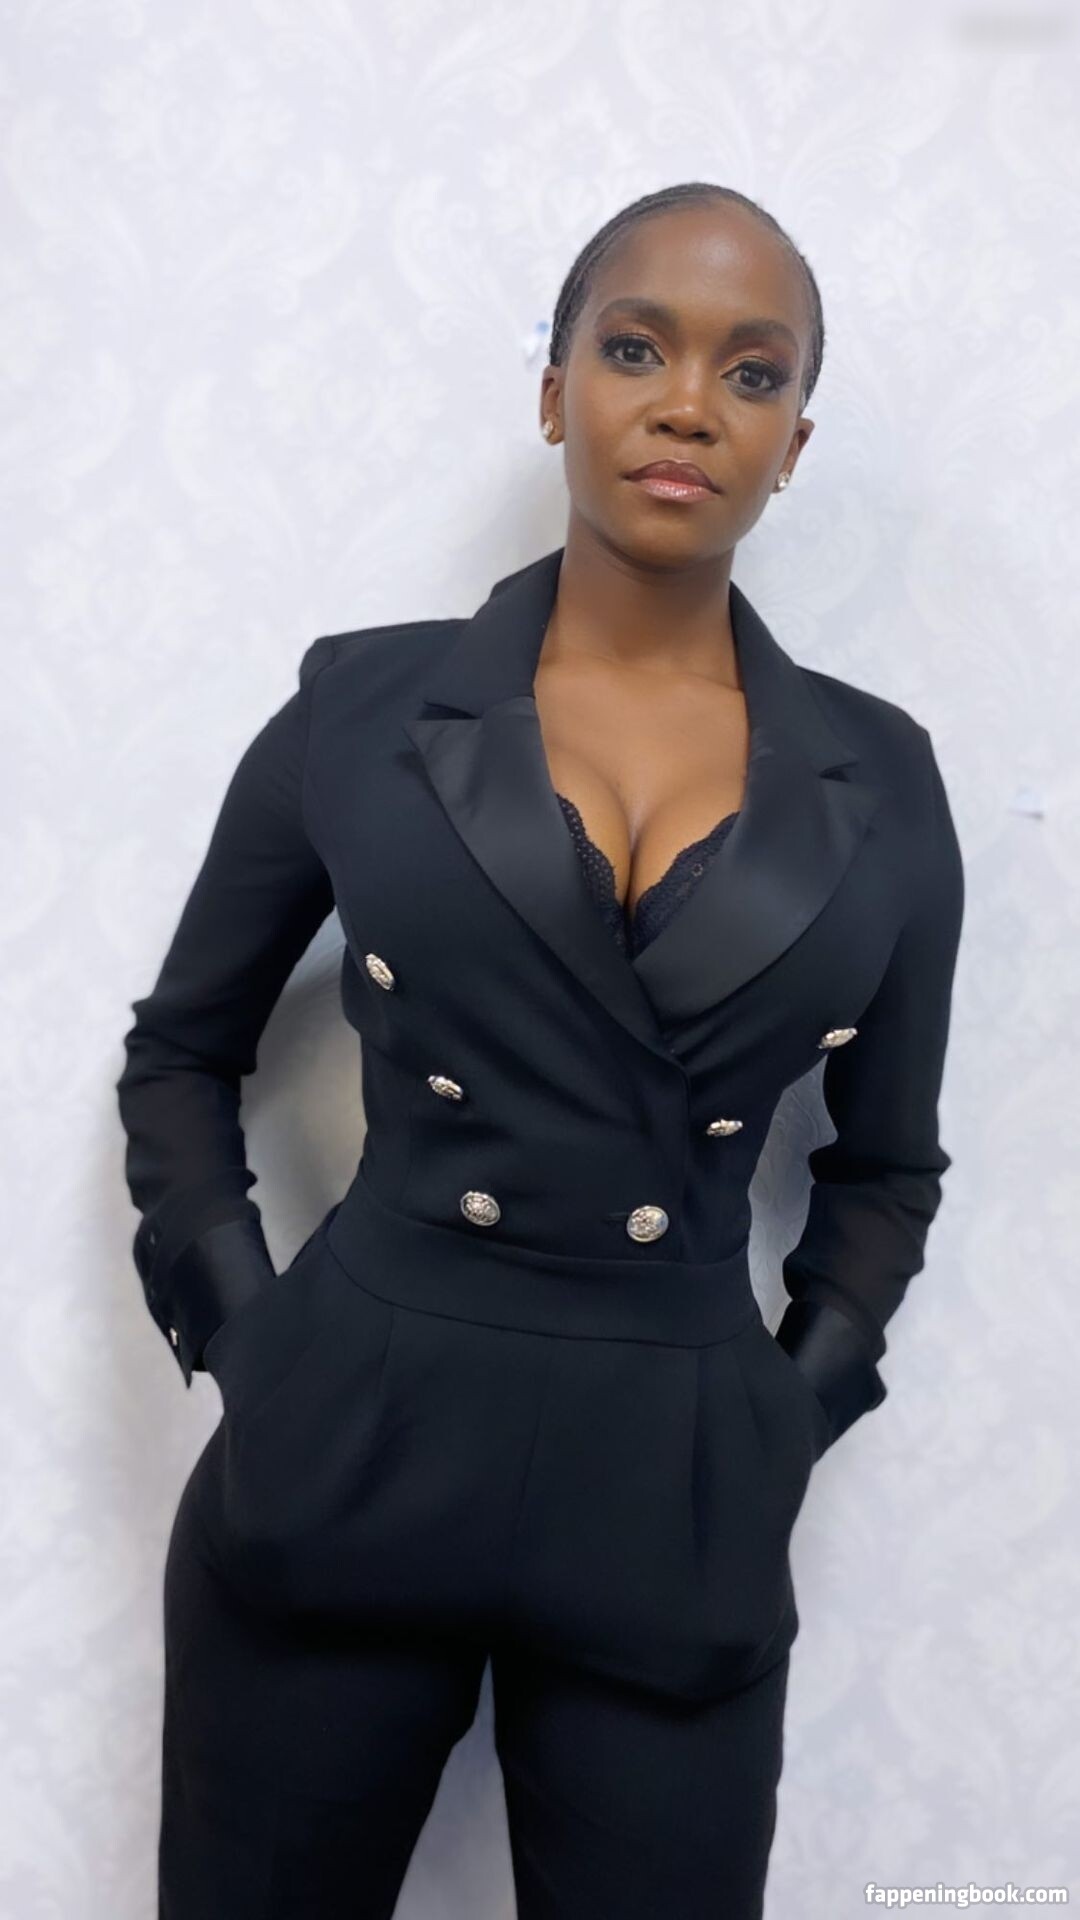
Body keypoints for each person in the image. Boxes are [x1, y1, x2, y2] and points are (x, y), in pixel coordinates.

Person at [116, 180, 965, 1919]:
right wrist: (255, 1348)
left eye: (752, 372)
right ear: (555, 387)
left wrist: (785, 1414)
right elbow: (182, 1053)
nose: (687, 404)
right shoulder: (362, 706)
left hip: (675, 1496)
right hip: (345, 1448)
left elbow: (886, 1164)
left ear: (793, 445)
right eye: (636, 347)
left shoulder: (882, 778)